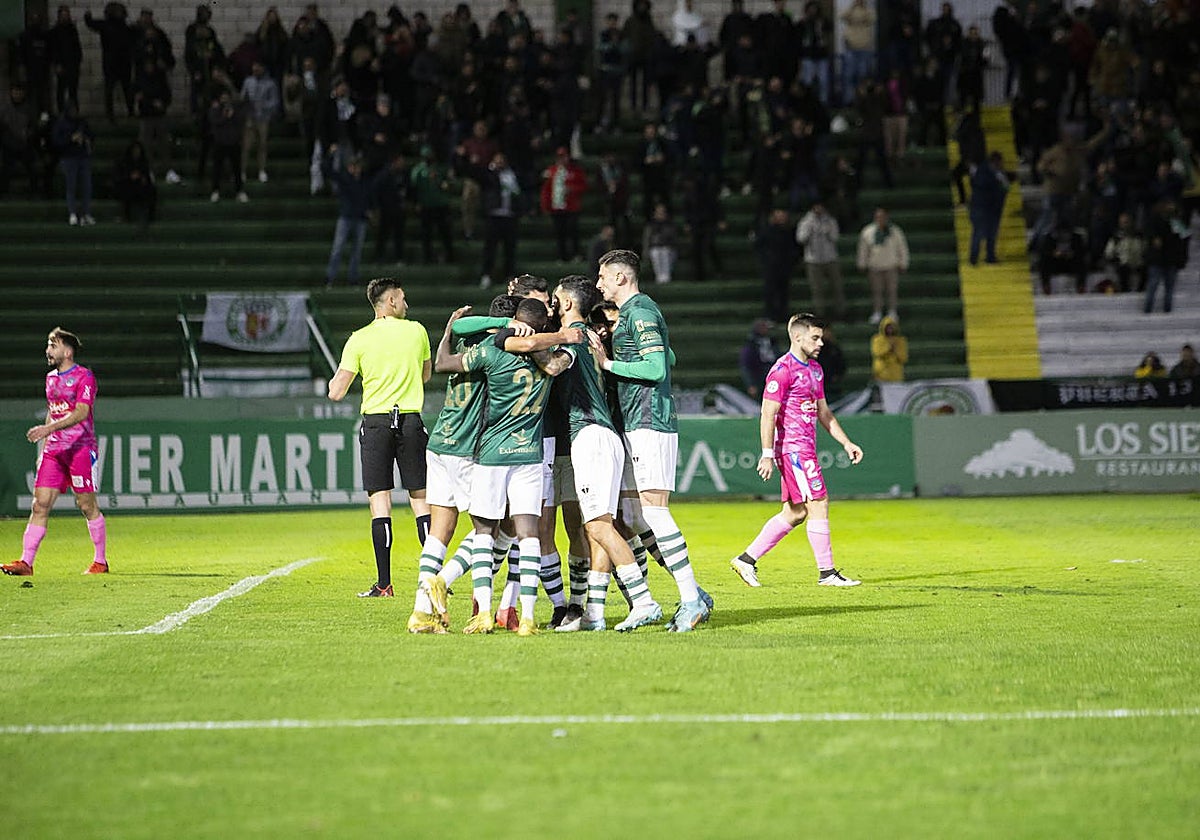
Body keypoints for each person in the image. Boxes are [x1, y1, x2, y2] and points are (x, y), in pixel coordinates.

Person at [407, 297, 579, 633]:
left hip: (444, 442)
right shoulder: (518, 355)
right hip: (486, 450)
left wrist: (449, 329)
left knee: (447, 531)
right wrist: (565, 336)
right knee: (508, 532)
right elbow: (550, 360)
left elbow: (448, 350)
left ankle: (423, 609)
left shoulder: (476, 347)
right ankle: (468, 592)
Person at [592, 249, 712, 632]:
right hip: (641, 418)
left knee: (655, 512)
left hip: (649, 418)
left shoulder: (639, 312)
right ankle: (694, 594)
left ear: (621, 278)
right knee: (643, 513)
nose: (599, 285)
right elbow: (670, 356)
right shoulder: (637, 313)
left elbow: (658, 366)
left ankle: (691, 599)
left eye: (604, 278)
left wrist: (608, 364)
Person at [729, 313, 862, 589]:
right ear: (797, 337)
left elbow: (824, 412)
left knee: (795, 512)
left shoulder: (815, 369)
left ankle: (746, 559)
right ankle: (827, 573)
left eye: (821, 337)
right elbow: (767, 413)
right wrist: (766, 453)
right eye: (815, 337)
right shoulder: (782, 369)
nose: (821, 343)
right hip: (793, 450)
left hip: (805, 448)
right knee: (819, 502)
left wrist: (846, 442)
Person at [327, 278, 433, 598]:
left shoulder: (359, 339)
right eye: (402, 299)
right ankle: (433, 579)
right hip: (411, 420)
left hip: (375, 423)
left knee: (380, 503)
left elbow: (336, 391)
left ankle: (384, 584)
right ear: (389, 302)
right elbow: (426, 374)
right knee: (420, 499)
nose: (406, 304)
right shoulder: (417, 331)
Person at [4, 328, 109, 577]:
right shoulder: (51, 378)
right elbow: (54, 410)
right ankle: (26, 563)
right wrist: (45, 446)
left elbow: (82, 412)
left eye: (53, 345)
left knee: (86, 505)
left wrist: (47, 429)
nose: (48, 350)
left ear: (68, 351)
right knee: (40, 505)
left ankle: (100, 561)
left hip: (80, 448)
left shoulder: (85, 376)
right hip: (54, 451)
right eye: (48, 345)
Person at [323, 155, 379, 286]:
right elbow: (326, 170)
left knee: (357, 251)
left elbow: (369, 197)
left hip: (360, 219)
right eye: (352, 166)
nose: (354, 169)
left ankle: (353, 278)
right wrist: (331, 156)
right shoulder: (344, 179)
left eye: (356, 166)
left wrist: (370, 210)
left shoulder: (364, 181)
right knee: (337, 248)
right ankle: (330, 278)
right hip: (346, 218)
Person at [84, 3, 137, 121]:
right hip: (113, 64)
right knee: (111, 90)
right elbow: (91, 23)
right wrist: (87, 16)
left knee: (126, 89)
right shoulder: (108, 25)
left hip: (121, 63)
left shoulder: (123, 27)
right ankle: (111, 115)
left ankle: (130, 112)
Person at [856, 207, 909, 324]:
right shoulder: (868, 231)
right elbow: (863, 249)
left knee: (892, 290)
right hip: (875, 266)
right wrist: (862, 263)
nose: (881, 219)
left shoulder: (895, 231)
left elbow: (902, 248)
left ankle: (892, 312)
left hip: (891, 266)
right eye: (878, 217)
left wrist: (903, 262)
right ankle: (877, 312)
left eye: (883, 217)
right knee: (876, 291)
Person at [795, 200, 845, 321]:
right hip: (813, 261)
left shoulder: (830, 221)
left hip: (830, 258)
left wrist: (827, 231)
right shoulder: (806, 221)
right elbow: (800, 238)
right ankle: (820, 313)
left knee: (837, 286)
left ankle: (841, 312)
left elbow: (835, 237)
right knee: (817, 289)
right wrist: (810, 230)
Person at [541, 147, 588, 262]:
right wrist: (545, 205)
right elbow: (546, 190)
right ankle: (562, 256)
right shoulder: (551, 171)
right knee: (559, 233)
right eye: (559, 157)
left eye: (564, 156)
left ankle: (576, 254)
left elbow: (584, 186)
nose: (562, 159)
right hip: (556, 208)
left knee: (573, 231)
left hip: (572, 207)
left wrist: (572, 189)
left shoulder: (575, 171)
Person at [51, 102, 95, 226]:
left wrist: (85, 138)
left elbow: (91, 136)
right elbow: (56, 141)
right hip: (69, 158)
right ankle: (73, 213)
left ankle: (86, 213)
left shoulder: (82, 123)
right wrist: (70, 139)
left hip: (83, 157)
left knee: (86, 186)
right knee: (71, 186)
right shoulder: (61, 123)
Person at [756, 208, 799, 322]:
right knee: (770, 291)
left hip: (784, 266)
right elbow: (759, 246)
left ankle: (783, 314)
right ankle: (770, 314)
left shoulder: (789, 231)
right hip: (771, 266)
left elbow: (794, 248)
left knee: (783, 292)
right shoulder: (766, 231)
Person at [240, 61, 279, 184]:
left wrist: (263, 106)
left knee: (262, 145)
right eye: (254, 68)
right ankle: (242, 171)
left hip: (263, 118)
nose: (255, 70)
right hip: (250, 118)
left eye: (258, 68)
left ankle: (261, 170)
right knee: (246, 146)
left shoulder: (271, 84)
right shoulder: (248, 81)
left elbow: (274, 102)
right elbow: (243, 97)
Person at [968, 151, 1009, 266]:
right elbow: (988, 191)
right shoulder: (984, 173)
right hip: (982, 208)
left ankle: (990, 256)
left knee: (991, 234)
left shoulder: (995, 173)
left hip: (992, 209)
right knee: (978, 233)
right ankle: (974, 258)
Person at [208, 90, 248, 203]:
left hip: (233, 144)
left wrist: (232, 115)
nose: (225, 100)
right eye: (223, 98)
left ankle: (239, 192)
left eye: (227, 98)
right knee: (217, 169)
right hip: (219, 144)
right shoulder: (215, 110)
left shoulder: (236, 111)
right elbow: (214, 122)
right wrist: (225, 117)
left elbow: (240, 122)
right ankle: (215, 191)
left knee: (236, 170)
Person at [112, 138, 156, 225]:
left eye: (138, 150)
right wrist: (130, 177)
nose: (137, 152)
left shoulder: (143, 162)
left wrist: (144, 179)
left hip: (140, 187)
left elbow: (147, 176)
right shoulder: (123, 162)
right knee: (127, 190)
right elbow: (118, 177)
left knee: (152, 191)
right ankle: (127, 216)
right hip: (127, 186)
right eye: (135, 150)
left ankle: (150, 217)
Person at [739, 318, 783, 399]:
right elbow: (746, 366)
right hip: (760, 375)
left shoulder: (772, 342)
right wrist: (751, 384)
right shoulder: (751, 346)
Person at [642, 202, 680, 283]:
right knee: (655, 252)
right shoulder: (651, 225)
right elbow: (647, 239)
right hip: (655, 248)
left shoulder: (670, 224)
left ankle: (666, 276)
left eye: (663, 213)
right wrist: (645, 251)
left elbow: (673, 240)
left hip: (669, 249)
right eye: (658, 213)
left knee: (665, 252)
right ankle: (659, 276)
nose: (661, 215)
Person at [870, 315, 907, 382]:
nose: (889, 330)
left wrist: (895, 350)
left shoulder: (900, 341)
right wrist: (888, 348)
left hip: (896, 373)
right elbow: (877, 353)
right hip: (881, 373)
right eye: (888, 327)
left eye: (891, 327)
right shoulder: (877, 340)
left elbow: (903, 358)